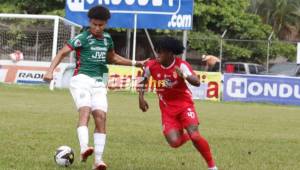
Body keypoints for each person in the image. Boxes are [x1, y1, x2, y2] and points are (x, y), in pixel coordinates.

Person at [43, 5, 146, 170]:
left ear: (106, 24)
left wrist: (136, 63)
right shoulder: (82, 38)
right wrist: (49, 71)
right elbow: (62, 52)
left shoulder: (107, 39)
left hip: (99, 83)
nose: (97, 28)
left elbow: (113, 58)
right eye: (94, 24)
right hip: (81, 79)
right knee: (85, 111)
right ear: (90, 22)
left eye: (101, 25)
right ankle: (84, 148)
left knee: (101, 116)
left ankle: (98, 161)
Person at [138, 37, 217, 170]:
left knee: (195, 135)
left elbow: (197, 82)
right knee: (174, 142)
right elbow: (143, 79)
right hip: (167, 110)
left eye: (160, 52)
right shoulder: (151, 65)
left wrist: (184, 76)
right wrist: (141, 97)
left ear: (170, 53)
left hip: (184, 105)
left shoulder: (181, 65)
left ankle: (212, 167)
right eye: (157, 52)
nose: (157, 55)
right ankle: (186, 136)